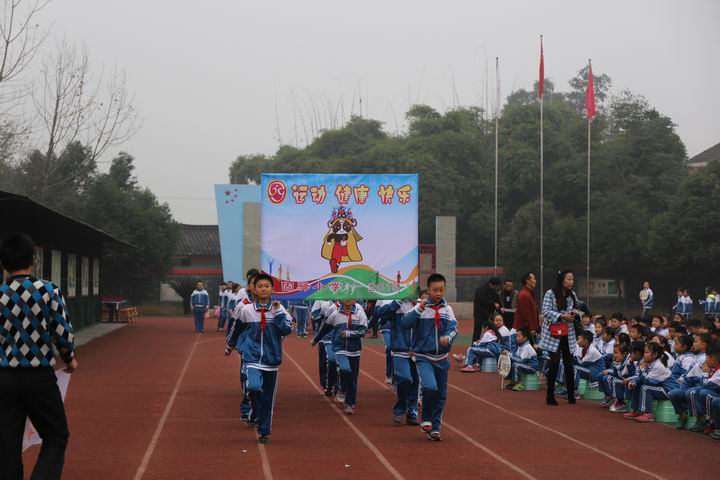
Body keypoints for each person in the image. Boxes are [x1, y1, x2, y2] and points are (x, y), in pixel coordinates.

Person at [0, 233, 78, 480]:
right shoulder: (48, 290)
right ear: (33, 259)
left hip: (4, 378)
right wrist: (70, 359)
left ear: (3, 263)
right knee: (55, 436)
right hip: (39, 377)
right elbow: (62, 333)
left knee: (7, 444)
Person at [225, 273, 292, 444]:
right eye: (260, 286)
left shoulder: (280, 309)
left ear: (272, 289)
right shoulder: (247, 310)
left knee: (268, 399)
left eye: (267, 286)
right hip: (252, 357)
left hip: (271, 360)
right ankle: (254, 411)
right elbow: (237, 328)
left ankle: (264, 432)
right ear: (254, 289)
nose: (263, 288)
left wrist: (277, 313)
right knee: (253, 387)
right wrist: (230, 344)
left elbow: (286, 330)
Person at [401, 273, 458, 441]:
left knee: (440, 394)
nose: (438, 293)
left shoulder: (448, 310)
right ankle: (425, 418)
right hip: (423, 356)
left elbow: (454, 328)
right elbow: (405, 323)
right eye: (435, 290)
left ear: (445, 289)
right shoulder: (420, 307)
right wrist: (419, 309)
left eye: (441, 290)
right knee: (429, 387)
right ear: (428, 290)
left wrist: (448, 337)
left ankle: (435, 428)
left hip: (442, 357)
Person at [374, 292, 426, 425]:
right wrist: (397, 302)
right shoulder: (395, 303)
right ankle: (400, 407)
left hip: (417, 350)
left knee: (415, 381)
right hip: (400, 349)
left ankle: (412, 412)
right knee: (404, 378)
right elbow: (380, 315)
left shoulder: (422, 303)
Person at [312, 299, 368, 415]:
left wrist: (349, 333)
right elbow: (325, 328)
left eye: (350, 297)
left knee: (353, 379)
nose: (347, 299)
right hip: (340, 348)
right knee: (344, 369)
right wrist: (316, 339)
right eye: (345, 296)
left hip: (355, 350)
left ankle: (349, 403)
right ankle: (342, 387)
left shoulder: (359, 312)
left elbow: (363, 331)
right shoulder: (336, 313)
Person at [540, 270, 578, 406]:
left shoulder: (572, 294)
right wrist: (562, 316)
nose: (571, 282)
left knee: (569, 364)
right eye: (569, 279)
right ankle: (550, 395)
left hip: (568, 333)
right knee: (555, 363)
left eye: (572, 279)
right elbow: (546, 311)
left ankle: (571, 395)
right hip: (553, 333)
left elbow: (575, 307)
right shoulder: (550, 294)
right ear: (562, 280)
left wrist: (574, 314)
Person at [624, 342, 679, 423]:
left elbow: (648, 381)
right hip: (659, 387)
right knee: (637, 385)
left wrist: (642, 368)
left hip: (668, 389)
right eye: (644, 352)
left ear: (655, 355)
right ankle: (636, 410)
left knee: (645, 388)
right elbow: (640, 376)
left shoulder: (658, 365)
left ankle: (647, 414)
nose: (644, 354)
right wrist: (633, 381)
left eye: (647, 352)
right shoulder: (648, 362)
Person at [311, 300, 340, 397]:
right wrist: (322, 317)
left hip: (341, 339)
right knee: (328, 362)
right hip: (326, 338)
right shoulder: (324, 304)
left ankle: (339, 387)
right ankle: (327, 385)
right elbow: (314, 315)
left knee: (341, 364)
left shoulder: (354, 305)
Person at [472, 277, 501, 343]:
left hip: (489, 315)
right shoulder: (481, 289)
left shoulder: (493, 291)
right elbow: (483, 300)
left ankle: (487, 346)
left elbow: (497, 300)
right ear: (491, 284)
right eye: (496, 286)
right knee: (477, 332)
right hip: (479, 315)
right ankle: (474, 347)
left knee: (489, 332)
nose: (496, 288)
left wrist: (500, 308)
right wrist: (493, 304)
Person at [515, 273, 540, 344]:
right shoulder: (524, 295)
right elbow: (526, 314)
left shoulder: (528, 293)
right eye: (533, 279)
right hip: (526, 331)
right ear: (528, 281)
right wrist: (531, 328)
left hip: (528, 329)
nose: (535, 281)